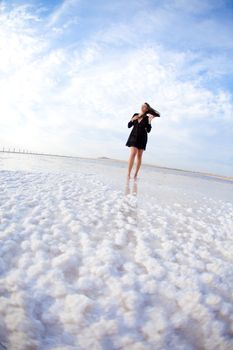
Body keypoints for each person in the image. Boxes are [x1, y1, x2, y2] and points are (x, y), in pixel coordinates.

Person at [125, 102, 160, 179]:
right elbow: (128, 126)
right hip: (133, 136)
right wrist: (132, 119)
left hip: (142, 137)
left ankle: (135, 174)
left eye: (144, 106)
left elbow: (148, 130)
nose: (142, 107)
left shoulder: (147, 118)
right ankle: (128, 174)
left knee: (139, 156)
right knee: (133, 152)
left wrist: (150, 121)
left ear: (147, 109)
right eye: (142, 106)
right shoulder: (135, 115)